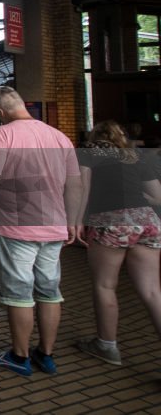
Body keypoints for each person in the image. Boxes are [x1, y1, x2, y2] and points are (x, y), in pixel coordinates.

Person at [0, 86, 82, 376]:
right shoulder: (59, 137)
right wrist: (72, 220)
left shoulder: (2, 134)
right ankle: (46, 354)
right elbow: (74, 184)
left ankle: (19, 357)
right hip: (54, 227)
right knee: (49, 291)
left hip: (17, 227)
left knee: (19, 292)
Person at [74, 120, 161, 366]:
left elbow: (82, 188)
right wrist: (133, 196)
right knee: (153, 291)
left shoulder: (89, 153)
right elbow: (157, 195)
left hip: (110, 220)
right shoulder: (134, 157)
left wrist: (77, 221)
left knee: (105, 285)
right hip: (147, 220)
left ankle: (106, 345)